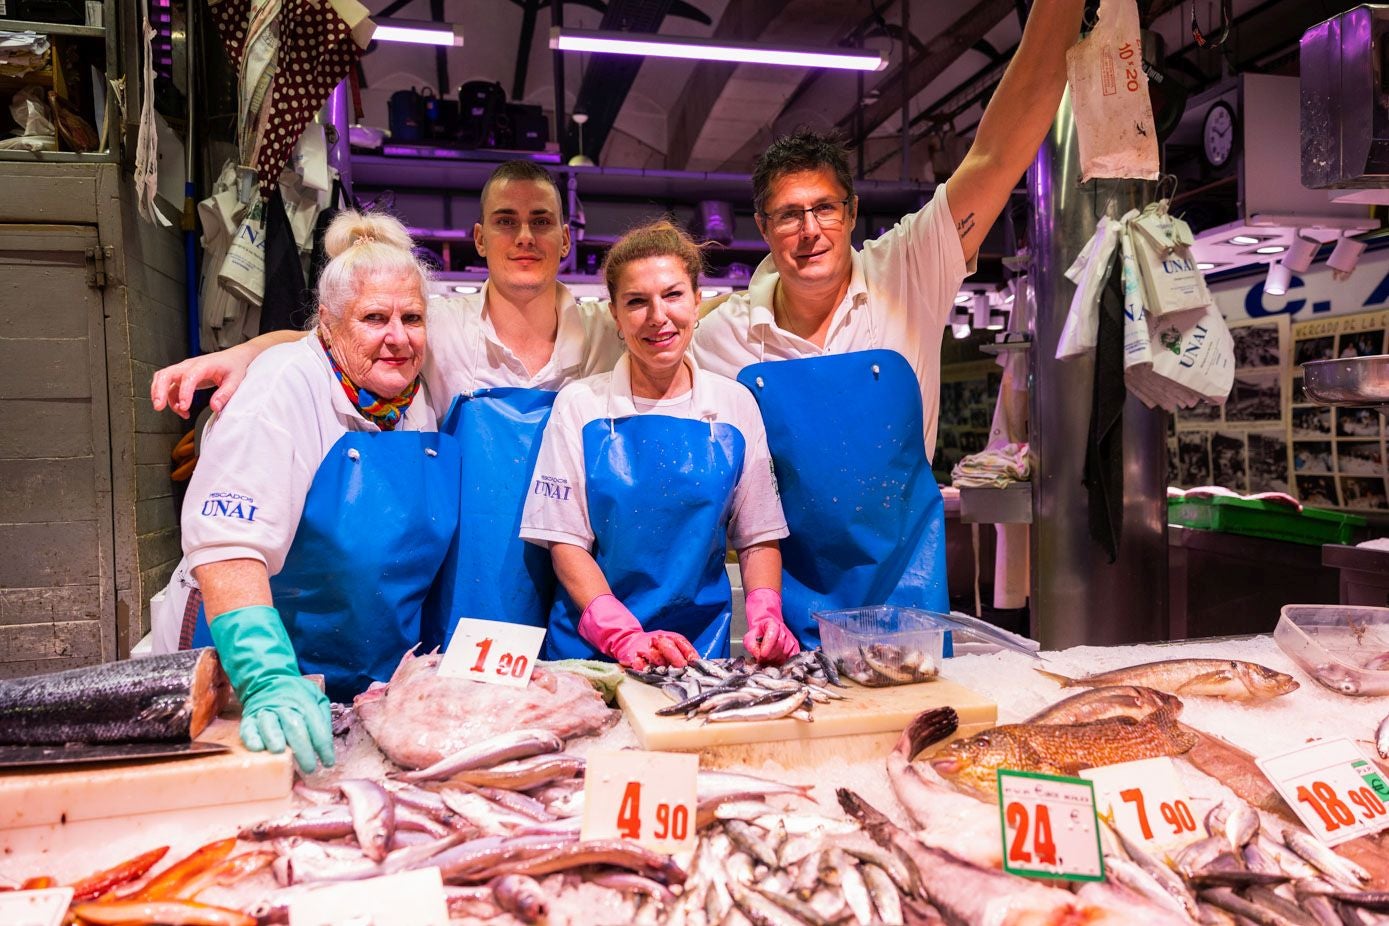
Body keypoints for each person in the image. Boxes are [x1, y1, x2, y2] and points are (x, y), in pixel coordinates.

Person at [694, 0, 1085, 644]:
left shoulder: (910, 271)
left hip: (912, 609)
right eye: (788, 214)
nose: (810, 230)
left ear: (850, 213)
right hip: (788, 621)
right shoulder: (724, 338)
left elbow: (998, 152)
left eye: (824, 208)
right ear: (763, 228)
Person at [150, 161, 624, 645]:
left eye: (541, 221)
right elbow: (329, 339)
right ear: (479, 238)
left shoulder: (611, 335)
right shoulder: (440, 326)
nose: (524, 236)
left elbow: (676, 328)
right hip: (433, 595)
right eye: (506, 220)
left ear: (567, 239)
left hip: (564, 580)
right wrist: (246, 353)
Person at [153, 211, 459, 773]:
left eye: (411, 317)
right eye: (373, 318)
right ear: (328, 322)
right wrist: (268, 678)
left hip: (355, 676)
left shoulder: (415, 396)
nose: (397, 336)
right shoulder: (279, 389)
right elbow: (228, 550)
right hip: (239, 661)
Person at [520, 221, 797, 669]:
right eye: (636, 302)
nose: (657, 316)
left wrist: (766, 611)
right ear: (614, 314)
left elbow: (757, 534)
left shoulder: (735, 405)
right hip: (592, 656)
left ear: (697, 300)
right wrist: (623, 635)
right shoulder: (581, 405)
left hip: (700, 653)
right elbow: (564, 543)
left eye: (672, 295)